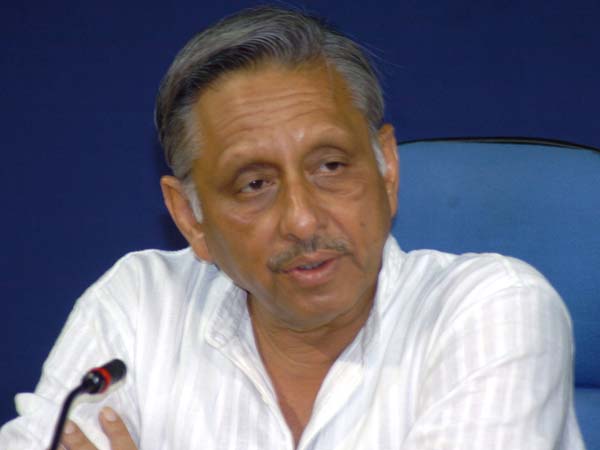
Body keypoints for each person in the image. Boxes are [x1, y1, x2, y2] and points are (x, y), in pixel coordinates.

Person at [0, 6, 584, 450]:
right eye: (255, 183)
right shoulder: (139, 305)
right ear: (190, 218)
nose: (303, 219)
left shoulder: (494, 308)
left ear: (387, 169)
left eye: (331, 166)